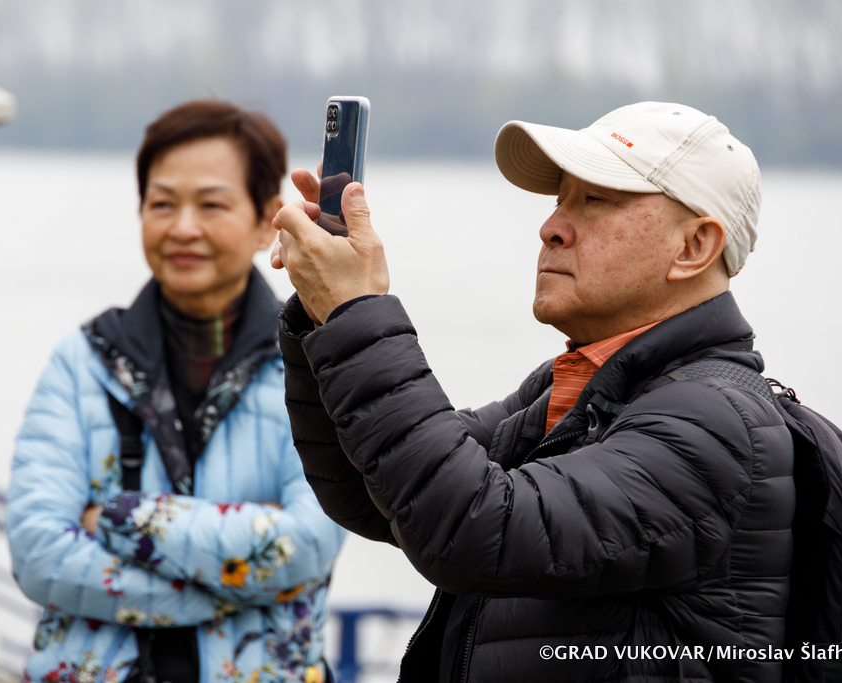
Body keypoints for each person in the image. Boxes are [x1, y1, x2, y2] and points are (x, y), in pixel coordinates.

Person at [271, 102, 795, 682]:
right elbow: (375, 493)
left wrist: (355, 310)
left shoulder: (715, 422)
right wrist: (324, 313)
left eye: (596, 200)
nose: (551, 227)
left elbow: (472, 527)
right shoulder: (580, 385)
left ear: (694, 247)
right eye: (560, 200)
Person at [6, 100, 345, 683]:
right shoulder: (81, 363)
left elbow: (308, 542)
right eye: (162, 203)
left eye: (211, 204)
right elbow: (39, 554)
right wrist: (238, 584)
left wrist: (119, 518)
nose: (183, 227)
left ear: (268, 218)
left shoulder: (312, 363)